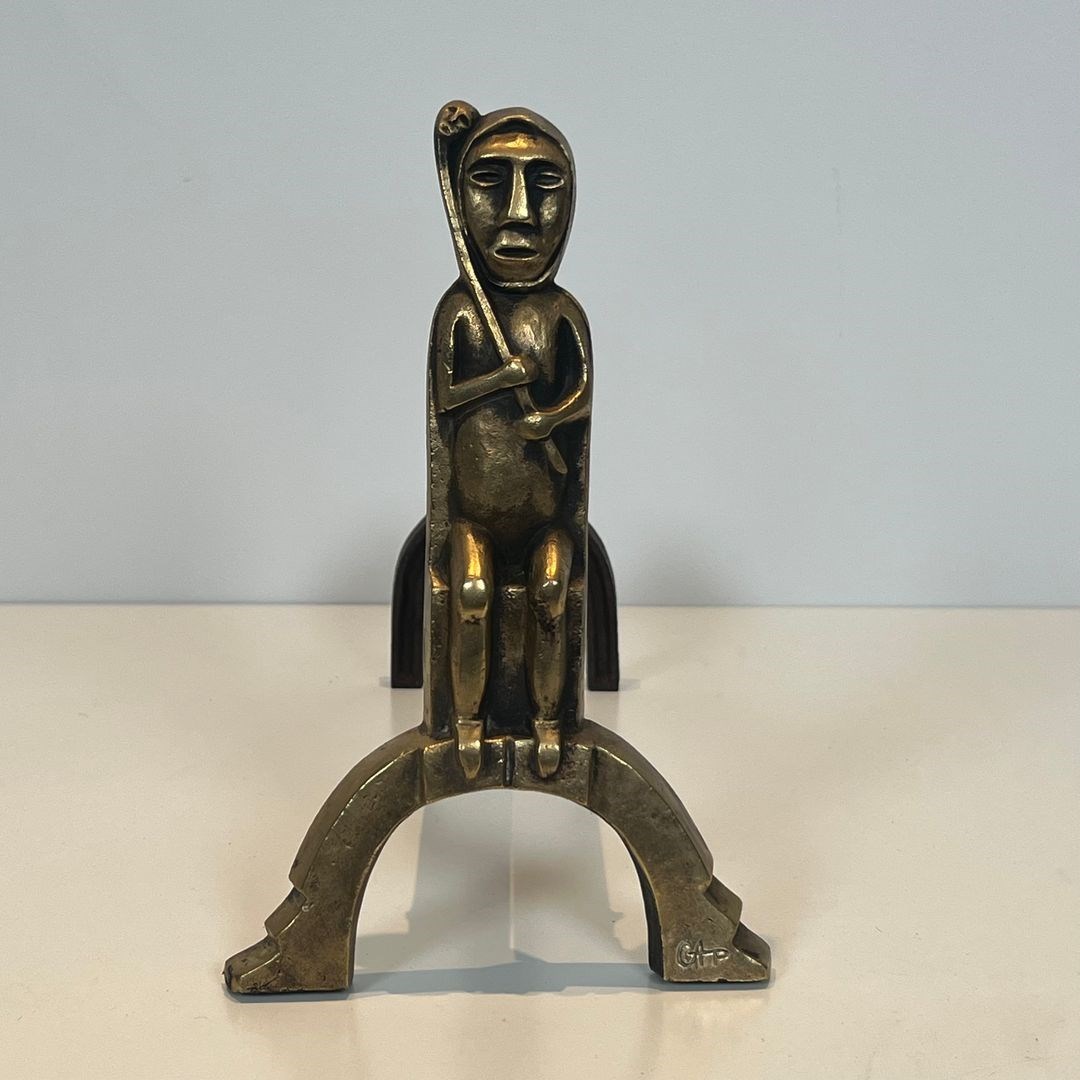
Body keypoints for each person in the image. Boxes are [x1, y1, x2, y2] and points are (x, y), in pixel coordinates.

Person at [426, 104, 592, 780]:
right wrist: (503, 378)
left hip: (545, 513)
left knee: (553, 589)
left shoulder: (561, 312)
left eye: (544, 183)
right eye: (490, 181)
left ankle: (550, 725)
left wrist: (549, 418)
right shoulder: (461, 310)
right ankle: (466, 725)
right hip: (475, 515)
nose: (519, 213)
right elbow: (445, 400)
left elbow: (583, 393)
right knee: (471, 591)